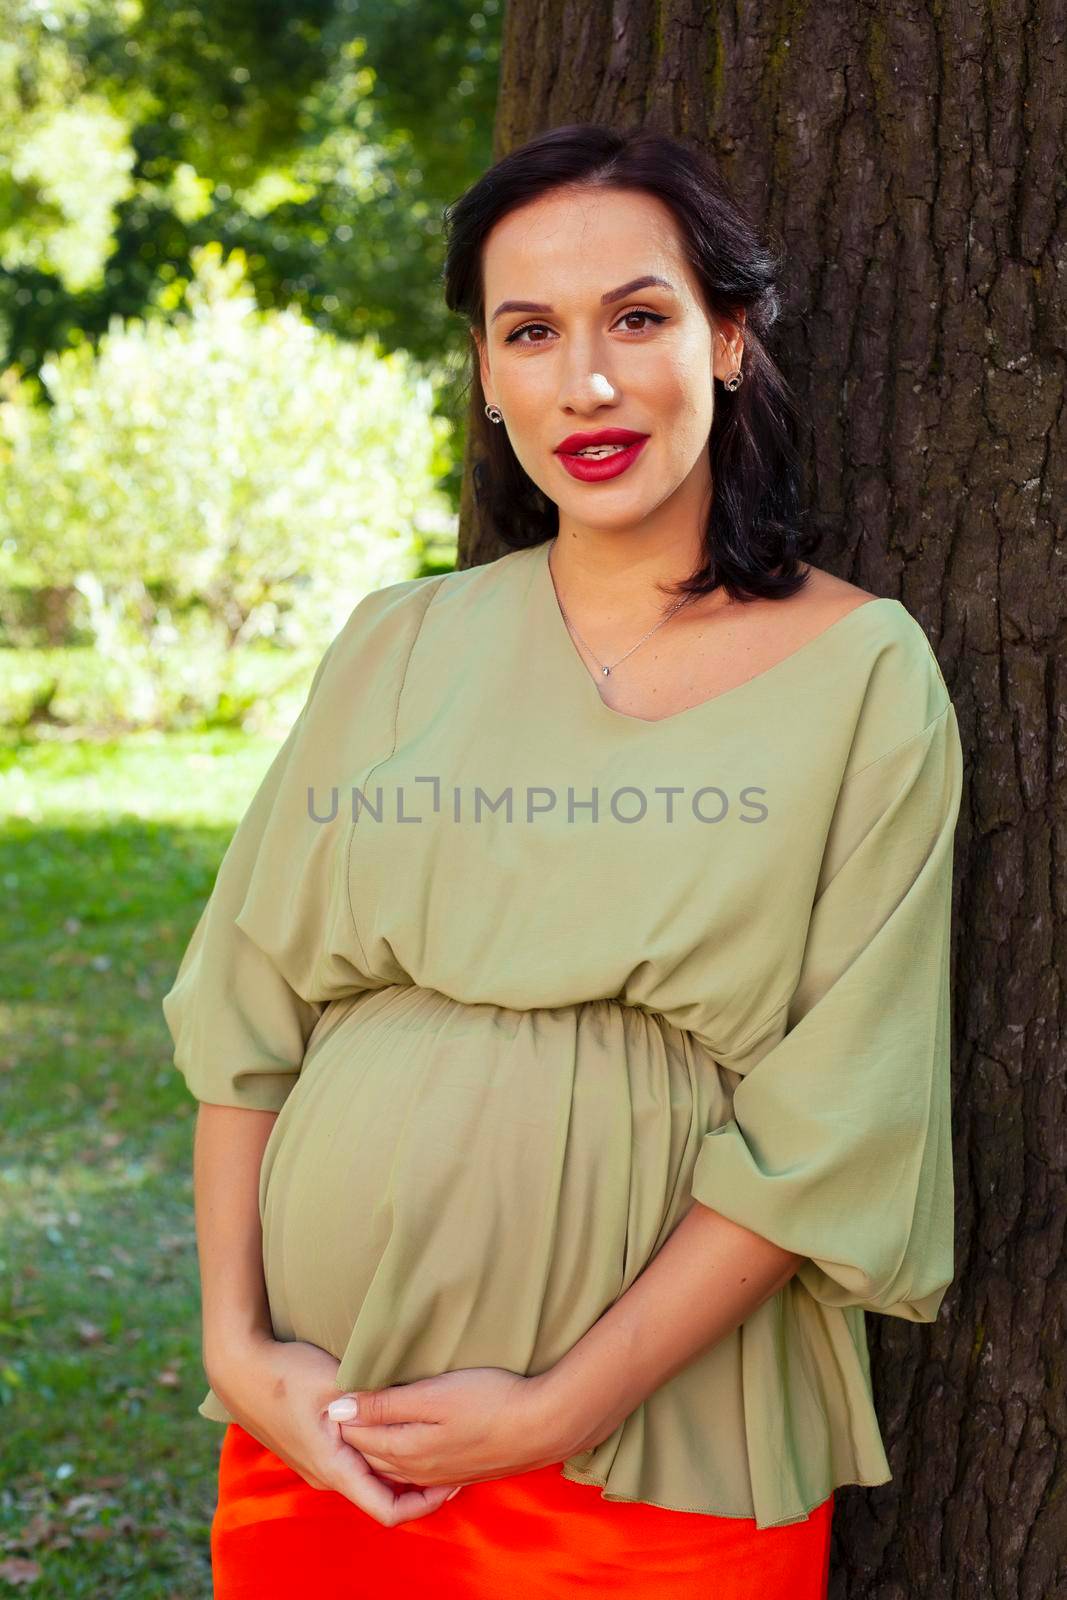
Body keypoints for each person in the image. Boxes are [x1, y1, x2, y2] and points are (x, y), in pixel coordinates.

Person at [162, 122, 964, 1600]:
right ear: (486, 372)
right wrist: (237, 1344)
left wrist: (563, 1406)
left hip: (653, 1458)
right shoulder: (400, 644)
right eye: (530, 332)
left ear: (730, 338)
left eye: (639, 318)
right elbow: (246, 1018)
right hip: (332, 1434)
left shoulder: (864, 674)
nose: (584, 382)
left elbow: (835, 1117)